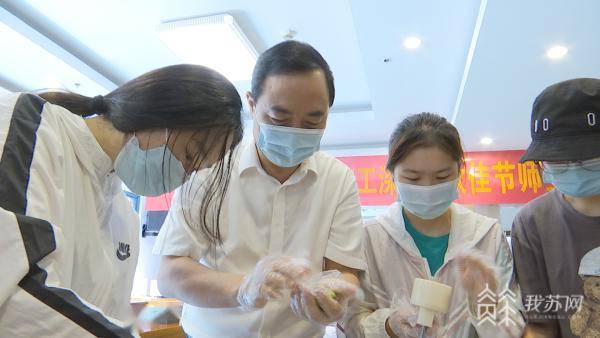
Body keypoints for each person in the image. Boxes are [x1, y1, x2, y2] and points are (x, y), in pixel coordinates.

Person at [0, 64, 243, 337]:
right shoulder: (31, 126)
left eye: (192, 172)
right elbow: (14, 285)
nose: (183, 176)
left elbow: (104, 317)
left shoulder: (124, 220)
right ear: (159, 112)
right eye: (189, 156)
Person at [154, 40, 364, 338]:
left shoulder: (338, 179)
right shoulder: (211, 166)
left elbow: (344, 271)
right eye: (279, 117)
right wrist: (243, 288)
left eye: (313, 120)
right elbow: (170, 273)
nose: (295, 131)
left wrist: (336, 295)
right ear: (252, 105)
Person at [344, 113, 524, 338]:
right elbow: (350, 323)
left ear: (459, 171)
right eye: (413, 178)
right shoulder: (369, 238)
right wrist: (389, 325)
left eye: (441, 177)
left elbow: (513, 324)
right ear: (392, 175)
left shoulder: (488, 234)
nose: (428, 187)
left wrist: (485, 308)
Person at [512, 78, 600, 338]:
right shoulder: (532, 222)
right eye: (559, 162)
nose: (573, 168)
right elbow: (541, 323)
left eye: (589, 158)